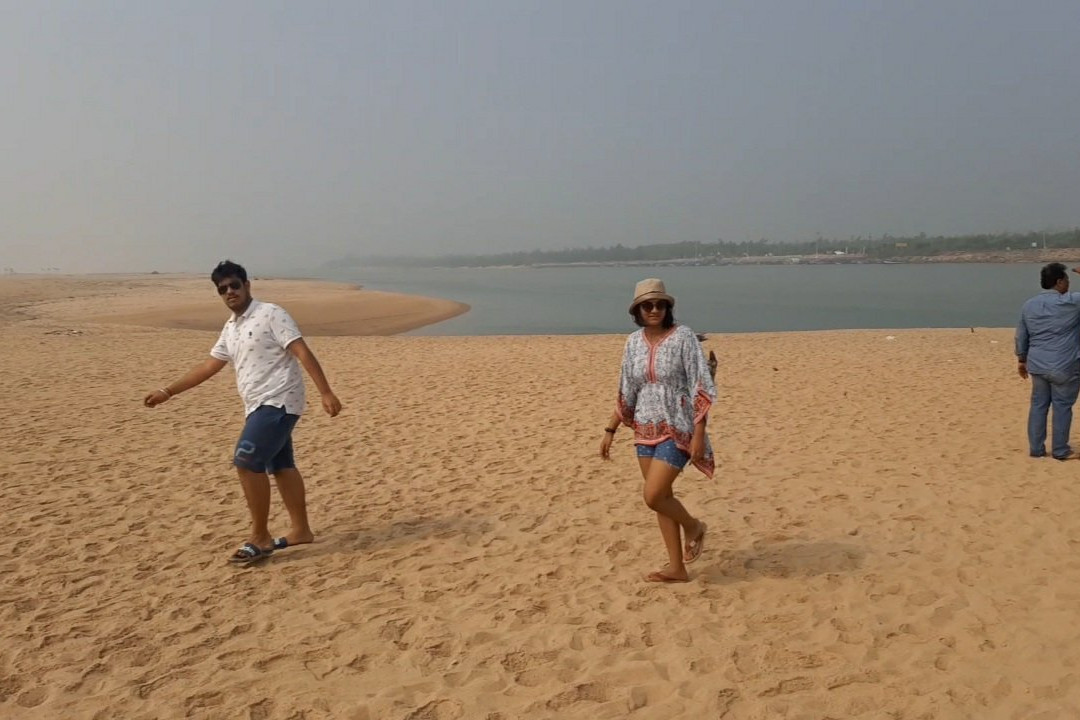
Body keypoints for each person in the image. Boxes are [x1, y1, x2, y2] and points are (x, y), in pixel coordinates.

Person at [143, 260, 342, 564]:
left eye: (235, 285)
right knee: (281, 465)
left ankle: (260, 536)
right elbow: (210, 365)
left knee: (246, 461)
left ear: (247, 285)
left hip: (278, 400)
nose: (230, 292)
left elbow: (300, 349)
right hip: (256, 405)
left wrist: (325, 392)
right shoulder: (231, 327)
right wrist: (168, 391)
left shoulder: (270, 313)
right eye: (223, 289)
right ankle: (301, 530)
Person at [599, 278, 716, 583]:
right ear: (637, 310)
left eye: (660, 304)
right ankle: (677, 567)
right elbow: (628, 389)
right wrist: (610, 429)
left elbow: (699, 384)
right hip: (643, 429)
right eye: (648, 305)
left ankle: (694, 526)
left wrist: (699, 432)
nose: (655, 310)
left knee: (652, 495)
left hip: (678, 427)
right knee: (663, 497)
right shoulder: (633, 342)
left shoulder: (683, 337)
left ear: (668, 307)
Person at [1015, 262, 1080, 460]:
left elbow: (1021, 335)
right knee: (1062, 406)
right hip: (1064, 364)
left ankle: (1036, 448)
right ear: (1059, 282)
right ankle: (1060, 449)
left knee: (1038, 405)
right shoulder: (1070, 302)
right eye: (1067, 280)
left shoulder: (1029, 304)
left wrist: (1021, 359)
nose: (1069, 283)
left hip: (1037, 364)